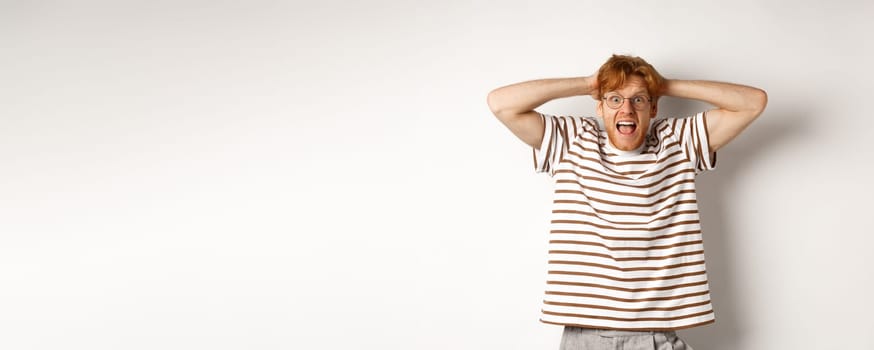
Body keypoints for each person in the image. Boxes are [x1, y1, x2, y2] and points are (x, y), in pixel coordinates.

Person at [486, 55, 767, 350]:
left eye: (639, 100)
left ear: (653, 107)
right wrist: (587, 83)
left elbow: (753, 102)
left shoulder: (678, 142)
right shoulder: (572, 140)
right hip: (585, 336)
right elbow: (501, 103)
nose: (627, 109)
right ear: (600, 106)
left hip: (655, 335)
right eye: (615, 99)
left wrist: (663, 85)